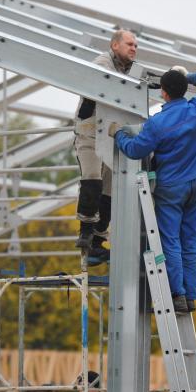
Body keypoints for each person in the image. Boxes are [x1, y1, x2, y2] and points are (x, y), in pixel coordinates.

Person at [111, 67, 196, 313]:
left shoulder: (157, 123)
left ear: (164, 93)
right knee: (189, 238)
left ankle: (177, 295)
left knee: (170, 239)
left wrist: (118, 135)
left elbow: (135, 150)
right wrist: (186, 75)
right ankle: (190, 295)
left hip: (171, 187)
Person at [74, 29, 138, 263]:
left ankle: (98, 241)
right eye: (129, 44)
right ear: (115, 46)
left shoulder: (129, 69)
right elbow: (104, 82)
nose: (133, 48)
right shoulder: (103, 63)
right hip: (91, 131)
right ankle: (86, 231)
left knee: (109, 187)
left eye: (135, 46)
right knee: (92, 178)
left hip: (111, 133)